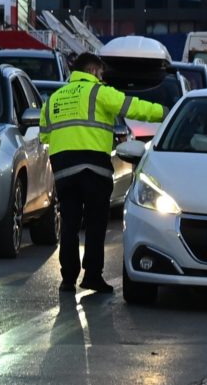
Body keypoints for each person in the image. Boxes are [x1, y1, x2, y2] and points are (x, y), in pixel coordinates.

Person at [38, 53, 168, 295]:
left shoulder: (54, 98)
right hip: (94, 168)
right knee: (96, 224)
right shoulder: (99, 92)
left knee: (69, 224)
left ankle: (67, 279)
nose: (102, 77)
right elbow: (134, 107)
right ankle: (92, 276)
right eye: (100, 73)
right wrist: (166, 111)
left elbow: (44, 135)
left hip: (64, 170)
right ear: (93, 71)